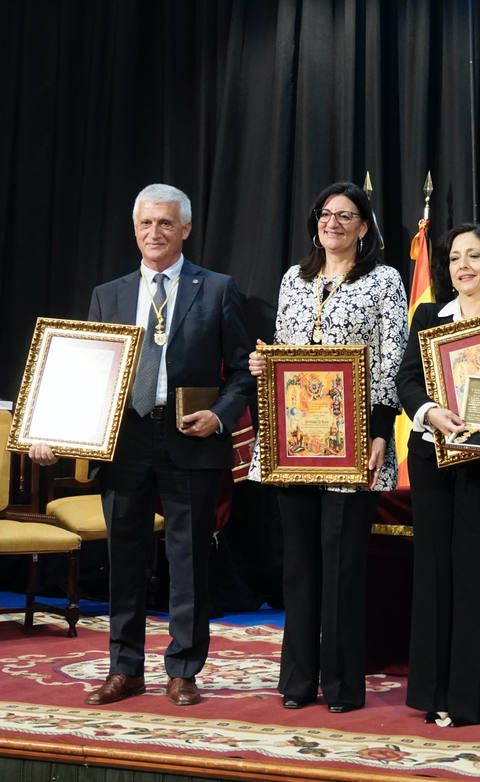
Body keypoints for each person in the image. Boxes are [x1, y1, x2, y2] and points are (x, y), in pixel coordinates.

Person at [31, 183, 254, 706]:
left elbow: (244, 372)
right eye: (146, 224)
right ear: (135, 229)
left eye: (166, 224)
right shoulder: (107, 294)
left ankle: (183, 670)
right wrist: (50, 430)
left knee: (189, 560)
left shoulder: (218, 289)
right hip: (125, 441)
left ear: (186, 230)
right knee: (124, 560)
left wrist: (219, 418)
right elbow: (86, 374)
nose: (155, 233)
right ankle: (124, 668)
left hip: (191, 439)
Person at [247, 182, 407, 713]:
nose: (332, 222)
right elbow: (284, 355)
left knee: (341, 565)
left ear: (365, 227)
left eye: (346, 215)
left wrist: (381, 430)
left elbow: (390, 361)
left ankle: (342, 685)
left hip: (354, 442)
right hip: (293, 440)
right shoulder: (294, 278)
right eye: (325, 213)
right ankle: (296, 680)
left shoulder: (385, 281)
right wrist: (261, 366)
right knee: (298, 565)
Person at [395, 223, 480, 727]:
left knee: (473, 575)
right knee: (433, 574)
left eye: (474, 256)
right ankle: (432, 694)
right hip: (432, 459)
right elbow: (405, 381)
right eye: (453, 259)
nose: (462, 266)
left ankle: (470, 700)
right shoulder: (429, 316)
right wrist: (429, 412)